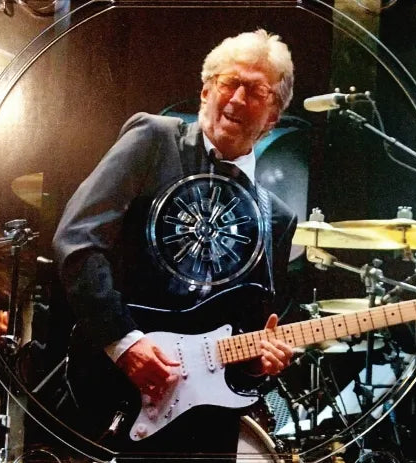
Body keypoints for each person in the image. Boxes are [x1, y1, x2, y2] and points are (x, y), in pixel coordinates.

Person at [52, 29, 297, 460]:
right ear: (205, 92)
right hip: (114, 391)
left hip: (208, 425)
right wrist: (123, 342)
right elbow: (78, 239)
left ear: (273, 116)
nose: (237, 99)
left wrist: (263, 361)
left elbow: (251, 333)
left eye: (256, 91)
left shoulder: (276, 216)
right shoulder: (155, 139)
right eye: (229, 83)